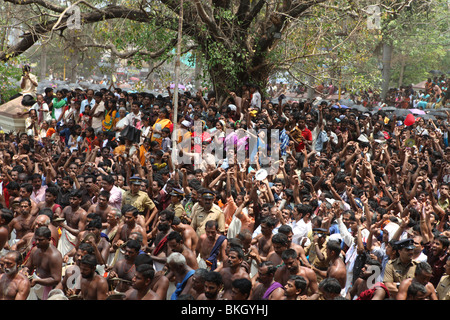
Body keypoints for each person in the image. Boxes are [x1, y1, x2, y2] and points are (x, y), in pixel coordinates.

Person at [21, 226, 63, 300]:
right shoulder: (34, 250)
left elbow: (56, 279)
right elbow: (28, 266)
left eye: (40, 240)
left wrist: (37, 281)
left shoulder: (54, 256)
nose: (37, 242)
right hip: (34, 283)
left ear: (49, 239)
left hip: (47, 287)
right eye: (36, 239)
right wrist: (25, 271)